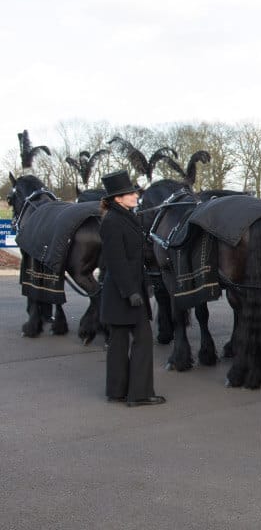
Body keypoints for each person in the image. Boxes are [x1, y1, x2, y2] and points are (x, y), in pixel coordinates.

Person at [99, 170, 165, 407]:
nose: (136, 195)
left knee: (118, 342)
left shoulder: (124, 216)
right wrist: (131, 292)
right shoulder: (113, 221)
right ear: (118, 198)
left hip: (125, 292)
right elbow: (115, 262)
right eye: (131, 193)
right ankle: (139, 394)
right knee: (143, 339)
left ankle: (116, 391)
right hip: (125, 294)